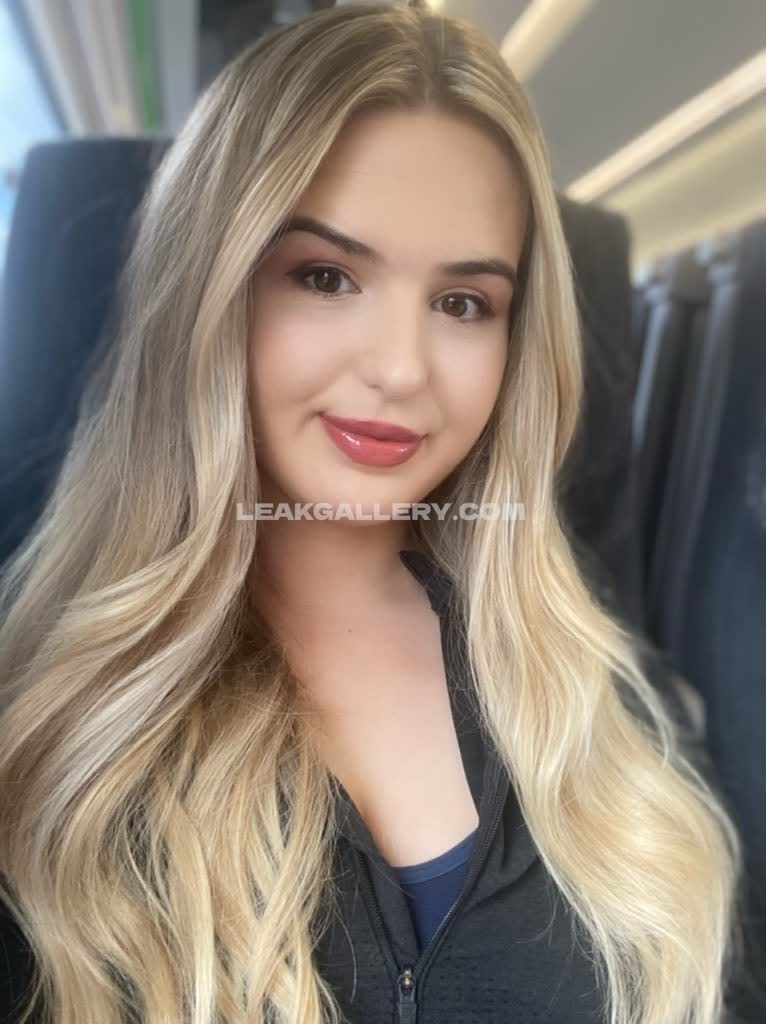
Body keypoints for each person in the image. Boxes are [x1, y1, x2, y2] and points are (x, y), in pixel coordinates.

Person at [0, 3, 754, 1023]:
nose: (401, 369)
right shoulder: (48, 723)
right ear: (208, 295)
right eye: (325, 276)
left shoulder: (597, 691)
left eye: (462, 303)